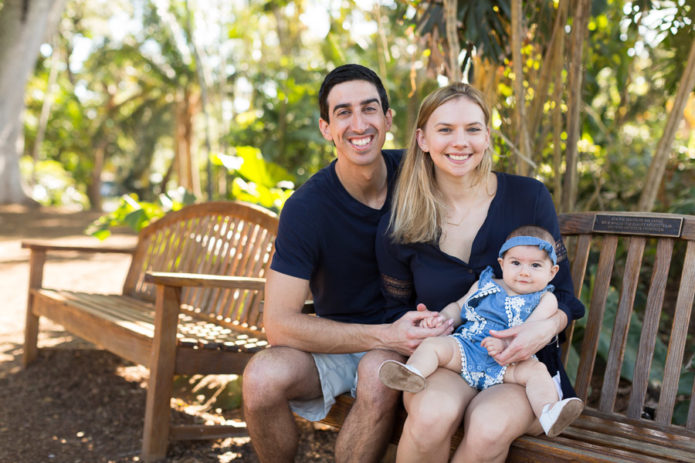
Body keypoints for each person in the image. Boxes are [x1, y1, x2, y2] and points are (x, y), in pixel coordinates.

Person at [242, 64, 452, 463]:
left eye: (369, 109)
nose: (359, 124)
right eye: (343, 112)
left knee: (377, 373)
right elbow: (279, 324)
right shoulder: (307, 208)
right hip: (339, 343)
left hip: (415, 343)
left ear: (388, 119)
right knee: (260, 377)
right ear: (326, 128)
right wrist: (382, 335)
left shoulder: (421, 176)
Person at [376, 82, 585, 462]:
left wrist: (544, 328)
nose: (461, 142)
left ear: (487, 136)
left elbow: (565, 295)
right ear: (422, 139)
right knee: (429, 418)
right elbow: (395, 309)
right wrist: (420, 324)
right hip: (450, 357)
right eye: (445, 130)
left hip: (521, 365)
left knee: (489, 429)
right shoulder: (403, 220)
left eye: (473, 129)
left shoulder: (528, 197)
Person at [379, 225, 584, 438]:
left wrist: (506, 344)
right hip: (467, 349)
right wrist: (440, 320)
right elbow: (458, 308)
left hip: (509, 362)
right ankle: (413, 373)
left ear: (552, 272)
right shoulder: (483, 285)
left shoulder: (545, 299)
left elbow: (528, 330)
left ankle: (548, 411)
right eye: (516, 263)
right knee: (432, 345)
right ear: (502, 264)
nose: (524, 271)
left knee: (537, 373)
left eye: (535, 265)